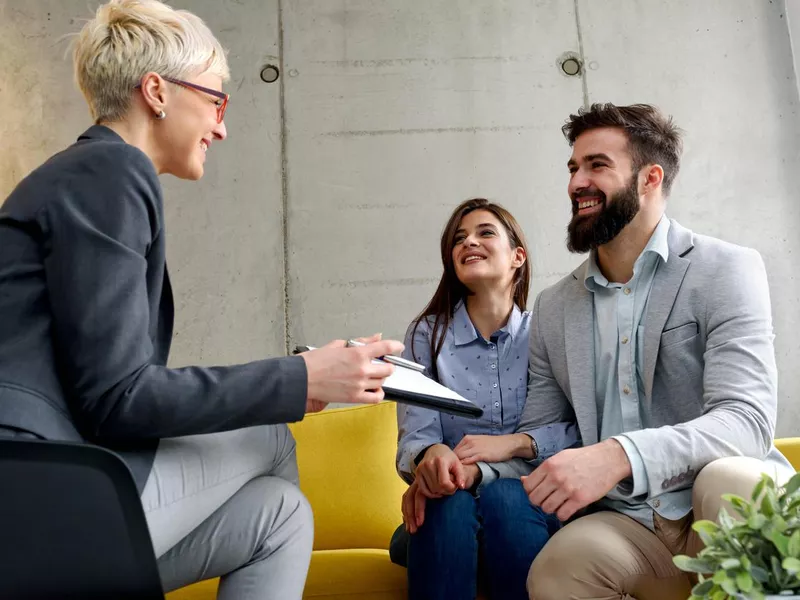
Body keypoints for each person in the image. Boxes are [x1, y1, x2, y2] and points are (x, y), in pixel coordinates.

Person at [0, 1, 402, 598]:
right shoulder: (109, 172)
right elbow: (118, 399)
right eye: (217, 100)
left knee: (279, 515)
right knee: (270, 434)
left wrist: (307, 382)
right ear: (156, 91)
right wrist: (299, 377)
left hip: (45, 489)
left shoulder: (81, 177)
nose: (221, 126)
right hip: (36, 497)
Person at [479, 103, 794, 599]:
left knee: (732, 479)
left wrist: (620, 454)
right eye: (573, 167)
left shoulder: (726, 269)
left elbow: (747, 421)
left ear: (650, 178)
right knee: (558, 569)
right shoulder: (555, 307)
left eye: (597, 165)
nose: (576, 182)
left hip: (717, 505)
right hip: (630, 525)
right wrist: (467, 467)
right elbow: (547, 436)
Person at [392, 198, 578, 600]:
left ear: (518, 257)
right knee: (447, 503)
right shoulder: (426, 335)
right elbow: (415, 437)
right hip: (449, 513)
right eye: (459, 238)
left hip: (525, 508)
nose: (468, 242)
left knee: (508, 497)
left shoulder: (546, 332)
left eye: (484, 232)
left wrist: (509, 448)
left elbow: (575, 433)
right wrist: (431, 457)